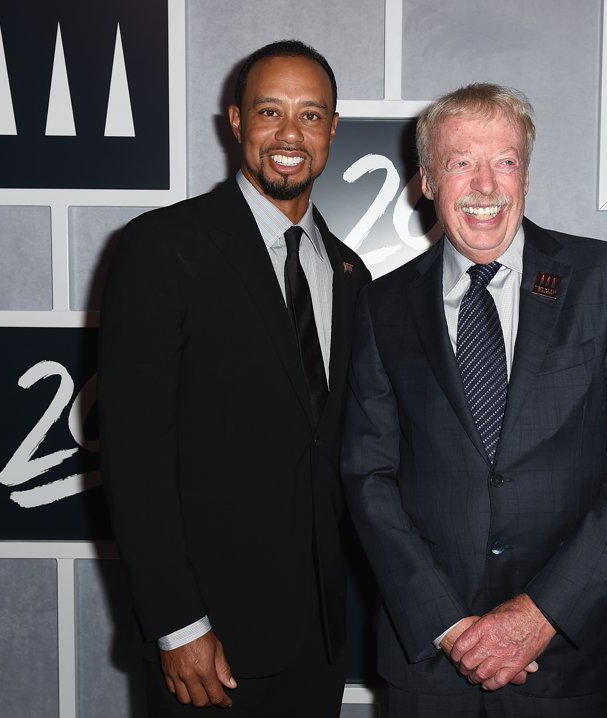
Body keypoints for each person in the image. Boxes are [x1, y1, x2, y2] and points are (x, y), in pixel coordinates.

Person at [341, 83, 607, 717]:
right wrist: (447, 626)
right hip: (430, 659)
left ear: (527, 173)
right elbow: (368, 476)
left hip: (563, 654)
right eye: (461, 161)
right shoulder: (382, 305)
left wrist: (540, 614)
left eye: (506, 160)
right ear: (428, 182)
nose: (486, 184)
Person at [98, 40, 369, 716]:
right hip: (208, 646)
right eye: (269, 112)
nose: (289, 135)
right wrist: (178, 624)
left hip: (319, 641)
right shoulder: (162, 248)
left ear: (333, 130)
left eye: (310, 116)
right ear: (236, 121)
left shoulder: (348, 272)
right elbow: (134, 458)